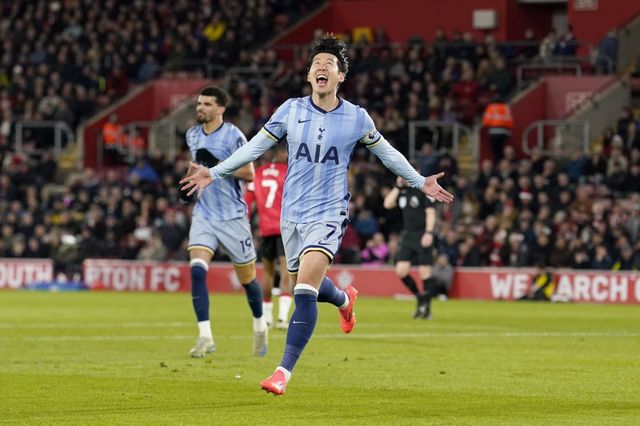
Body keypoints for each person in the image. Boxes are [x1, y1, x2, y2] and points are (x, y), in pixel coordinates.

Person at [180, 35, 453, 396]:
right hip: (291, 213)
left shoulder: (356, 117)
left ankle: (282, 371)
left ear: (341, 76)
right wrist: (213, 173)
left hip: (328, 212)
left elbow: (387, 153)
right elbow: (254, 149)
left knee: (303, 290)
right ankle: (343, 299)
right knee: (300, 284)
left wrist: (419, 182)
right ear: (309, 74)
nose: (321, 67)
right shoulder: (290, 110)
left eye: (330, 64)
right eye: (316, 63)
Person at [181, 86, 268, 359]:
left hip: (232, 217)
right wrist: (187, 183)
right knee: (196, 270)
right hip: (205, 214)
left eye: (206, 104)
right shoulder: (193, 135)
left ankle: (259, 325)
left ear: (221, 109)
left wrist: (217, 165)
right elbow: (195, 167)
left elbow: (249, 173)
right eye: (199, 103)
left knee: (248, 280)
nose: (200, 108)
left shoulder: (233, 136)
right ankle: (205, 336)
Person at [245, 144, 292, 329]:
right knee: (286, 271)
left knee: (268, 272)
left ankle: (266, 318)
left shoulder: (258, 173)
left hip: (265, 229)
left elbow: (247, 204)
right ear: (280, 153)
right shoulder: (289, 172)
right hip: (284, 227)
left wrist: (244, 224)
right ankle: (282, 318)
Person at [383, 176, 437, 319]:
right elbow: (387, 204)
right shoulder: (403, 191)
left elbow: (430, 213)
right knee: (401, 270)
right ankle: (420, 298)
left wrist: (429, 233)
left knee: (424, 271)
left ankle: (426, 308)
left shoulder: (423, 191)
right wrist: (398, 186)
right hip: (408, 235)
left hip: (422, 234)